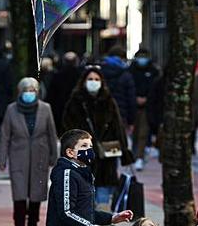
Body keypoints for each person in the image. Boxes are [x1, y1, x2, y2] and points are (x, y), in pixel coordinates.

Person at [62, 66, 133, 207]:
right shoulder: (75, 102)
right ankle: (87, 225)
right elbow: (66, 128)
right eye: (90, 79)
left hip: (106, 155)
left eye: (96, 79)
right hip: (82, 157)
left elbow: (118, 127)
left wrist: (125, 151)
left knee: (103, 195)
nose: (93, 82)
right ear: (83, 81)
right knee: (84, 194)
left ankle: (104, 225)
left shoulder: (109, 101)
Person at [0, 77, 58, 226]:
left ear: (37, 92)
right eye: (26, 90)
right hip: (18, 156)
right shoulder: (11, 109)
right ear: (20, 92)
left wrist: (54, 156)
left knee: (36, 193)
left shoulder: (46, 109)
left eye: (32, 90)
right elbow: (5, 136)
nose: (29, 93)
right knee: (19, 193)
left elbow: (52, 134)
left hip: (40, 156)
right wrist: (2, 159)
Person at [129, 49, 160, 170]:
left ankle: (139, 157)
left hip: (148, 107)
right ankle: (136, 153)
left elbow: (156, 89)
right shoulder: (131, 71)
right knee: (134, 133)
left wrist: (147, 98)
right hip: (133, 106)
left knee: (143, 132)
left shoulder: (154, 71)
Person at [100, 46, 138, 131]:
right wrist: (131, 121)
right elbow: (131, 99)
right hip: (121, 115)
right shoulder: (126, 75)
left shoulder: (99, 72)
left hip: (101, 114)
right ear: (122, 58)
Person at [47, 51, 82, 130]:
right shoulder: (81, 76)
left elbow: (51, 97)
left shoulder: (57, 76)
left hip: (59, 112)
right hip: (77, 112)